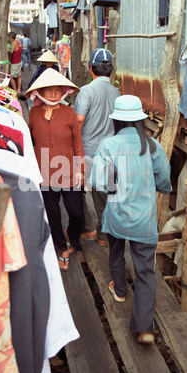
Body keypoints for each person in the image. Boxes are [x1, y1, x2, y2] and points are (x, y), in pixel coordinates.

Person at [90, 95, 172, 345]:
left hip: (117, 215)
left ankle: (121, 291)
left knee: (115, 252)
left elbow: (99, 183)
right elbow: (164, 181)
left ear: (117, 121)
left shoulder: (107, 145)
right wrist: (158, 186)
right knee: (146, 271)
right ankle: (145, 328)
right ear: (140, 121)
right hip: (144, 219)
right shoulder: (152, 146)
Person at [25, 68, 85, 272]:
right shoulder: (34, 113)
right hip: (44, 171)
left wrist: (79, 169)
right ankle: (60, 247)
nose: (52, 94)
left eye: (56, 90)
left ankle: (72, 238)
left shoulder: (69, 113)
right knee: (52, 213)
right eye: (48, 90)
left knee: (76, 212)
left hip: (68, 169)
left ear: (63, 92)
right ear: (40, 93)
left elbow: (78, 143)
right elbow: (29, 141)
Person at [74, 48, 120, 246]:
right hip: (110, 152)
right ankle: (103, 234)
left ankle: (86, 228)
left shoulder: (87, 91)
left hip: (87, 151)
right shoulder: (117, 92)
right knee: (103, 194)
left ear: (90, 68)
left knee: (77, 190)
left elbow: (78, 120)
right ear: (111, 70)